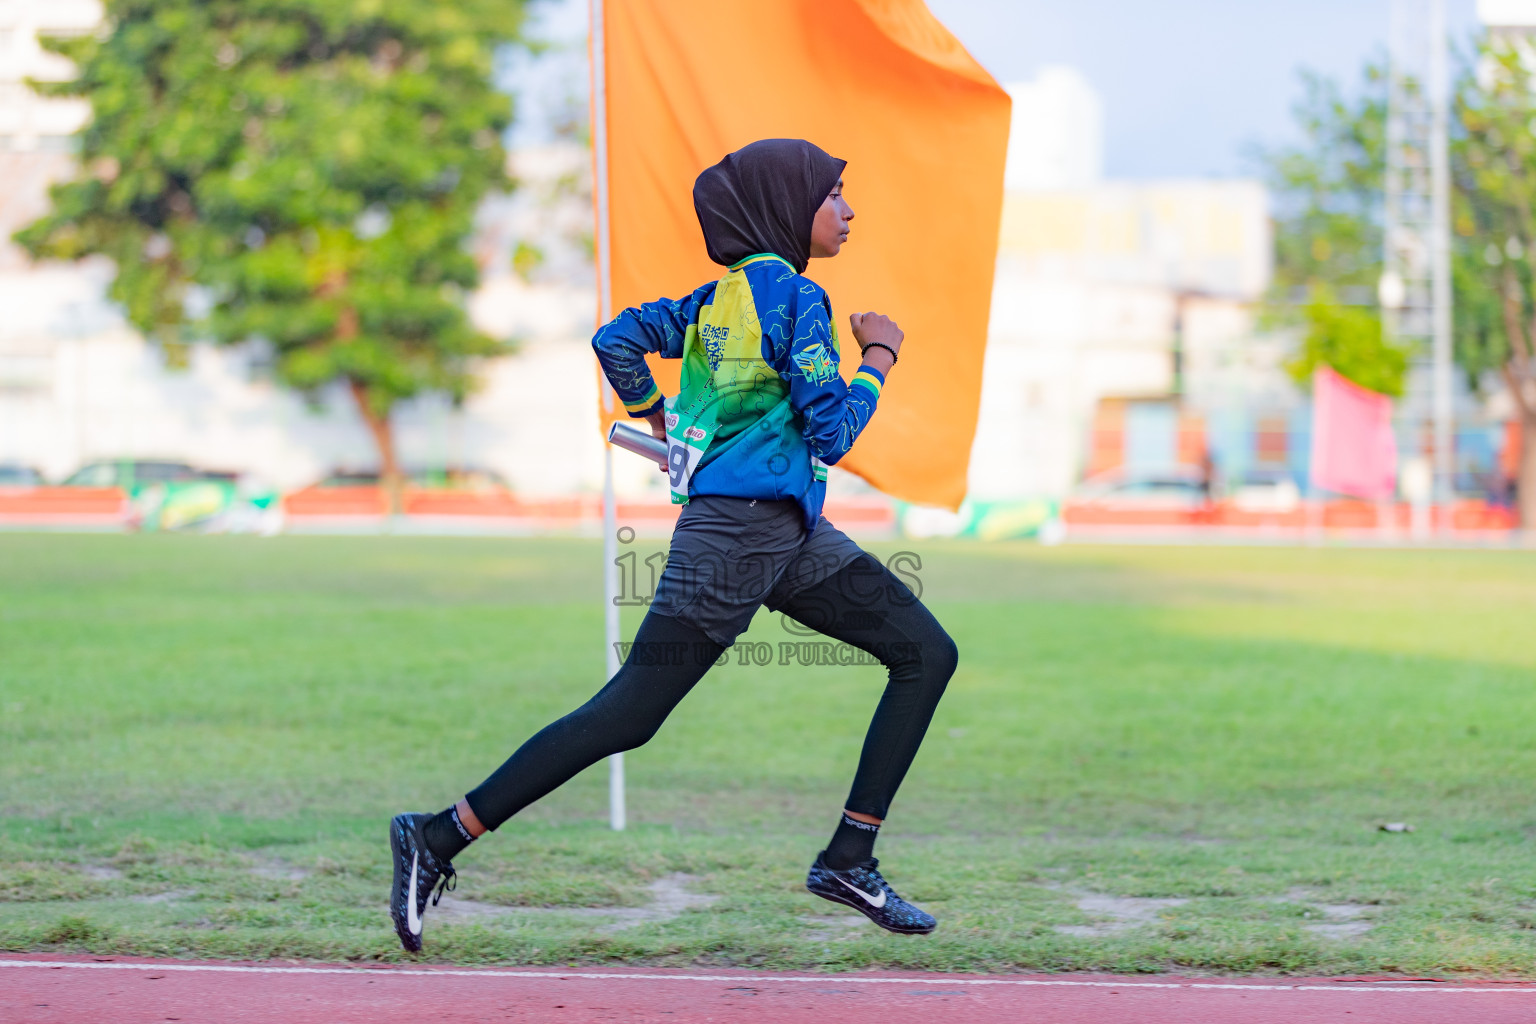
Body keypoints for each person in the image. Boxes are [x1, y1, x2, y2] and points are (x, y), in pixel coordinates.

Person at [389, 139, 958, 952]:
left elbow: (616, 339)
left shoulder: (714, 298)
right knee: (627, 714)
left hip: (785, 532)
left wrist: (654, 411)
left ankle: (849, 857)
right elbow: (833, 432)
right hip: (736, 535)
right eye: (836, 194)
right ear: (788, 206)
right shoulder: (795, 298)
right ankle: (435, 836)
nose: (848, 210)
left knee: (925, 653)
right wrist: (879, 356)